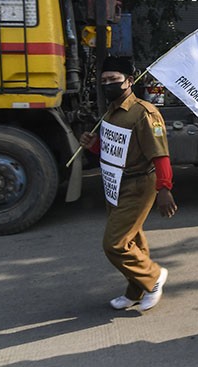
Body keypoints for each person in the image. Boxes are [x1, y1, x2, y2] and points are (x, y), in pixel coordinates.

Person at [79, 56, 178, 312]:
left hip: (138, 185)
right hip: (116, 183)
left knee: (115, 244)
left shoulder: (144, 114)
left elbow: (160, 154)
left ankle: (153, 277)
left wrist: (164, 188)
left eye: (114, 80)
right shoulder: (111, 112)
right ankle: (135, 290)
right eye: (104, 81)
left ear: (129, 81)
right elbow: (115, 151)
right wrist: (94, 146)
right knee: (132, 239)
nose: (108, 84)